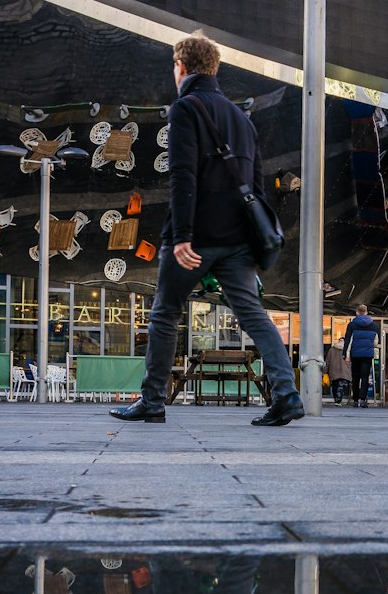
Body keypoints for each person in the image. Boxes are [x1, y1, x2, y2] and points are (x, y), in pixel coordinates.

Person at [111, 33, 303, 428]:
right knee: (253, 315)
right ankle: (286, 394)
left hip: (195, 237)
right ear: (213, 68)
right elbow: (259, 185)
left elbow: (183, 176)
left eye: (174, 66)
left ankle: (152, 400)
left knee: (165, 313)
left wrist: (181, 235)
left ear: (181, 66)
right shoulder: (242, 119)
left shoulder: (186, 109)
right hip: (237, 241)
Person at [343, 303, 379, 407]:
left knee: (355, 377)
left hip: (355, 354)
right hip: (367, 355)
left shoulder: (352, 325)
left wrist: (346, 355)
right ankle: (363, 399)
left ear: (357, 312)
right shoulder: (374, 325)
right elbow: (376, 342)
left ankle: (355, 400)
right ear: (366, 312)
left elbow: (348, 341)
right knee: (365, 377)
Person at [325, 339, 352, 405]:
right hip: (344, 371)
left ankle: (336, 400)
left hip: (333, 371)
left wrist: (325, 371)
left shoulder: (331, 350)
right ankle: (338, 400)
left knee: (335, 386)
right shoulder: (348, 350)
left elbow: (327, 361)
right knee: (341, 385)